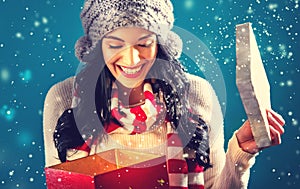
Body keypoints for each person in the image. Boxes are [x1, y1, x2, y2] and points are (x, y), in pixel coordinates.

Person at [43, 0, 285, 188]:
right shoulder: (63, 100)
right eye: (115, 45)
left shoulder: (197, 95)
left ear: (160, 42)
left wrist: (240, 151)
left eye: (144, 43)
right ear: (97, 45)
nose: (132, 59)